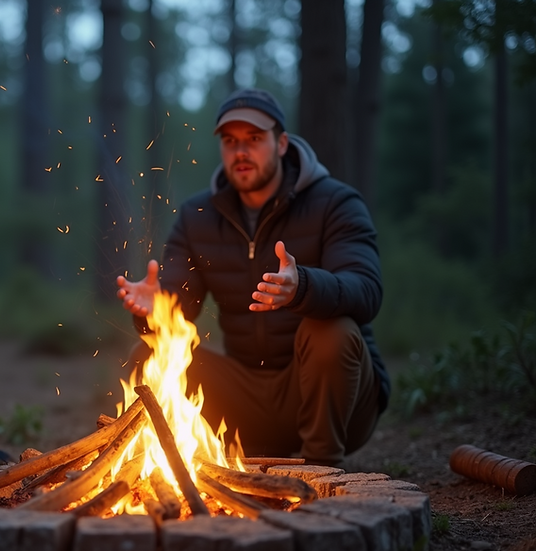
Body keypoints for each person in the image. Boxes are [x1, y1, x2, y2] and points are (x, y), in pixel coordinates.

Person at [116, 88, 388, 466]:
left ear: (282, 144)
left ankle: (323, 470)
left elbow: (367, 291)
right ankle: (163, 468)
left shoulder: (335, 203)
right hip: (246, 400)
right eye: (230, 142)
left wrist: (303, 288)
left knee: (330, 330)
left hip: (337, 402)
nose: (240, 151)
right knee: (146, 354)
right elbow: (180, 307)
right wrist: (153, 309)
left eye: (254, 139)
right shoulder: (197, 216)